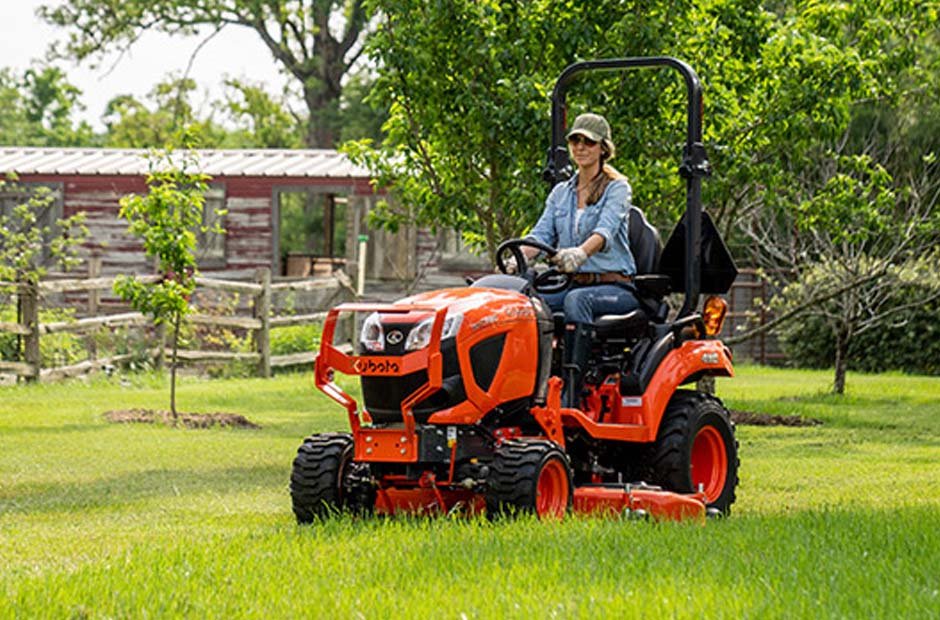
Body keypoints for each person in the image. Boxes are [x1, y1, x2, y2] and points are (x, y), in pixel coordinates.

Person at [519, 112, 639, 407]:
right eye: (575, 140)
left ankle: (573, 393)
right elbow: (541, 235)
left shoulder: (617, 188)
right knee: (523, 301)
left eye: (588, 141)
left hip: (615, 288)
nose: (580, 146)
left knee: (576, 302)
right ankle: (525, 388)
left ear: (603, 148)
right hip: (573, 284)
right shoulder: (561, 193)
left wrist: (581, 252)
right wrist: (516, 259)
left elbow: (605, 231)